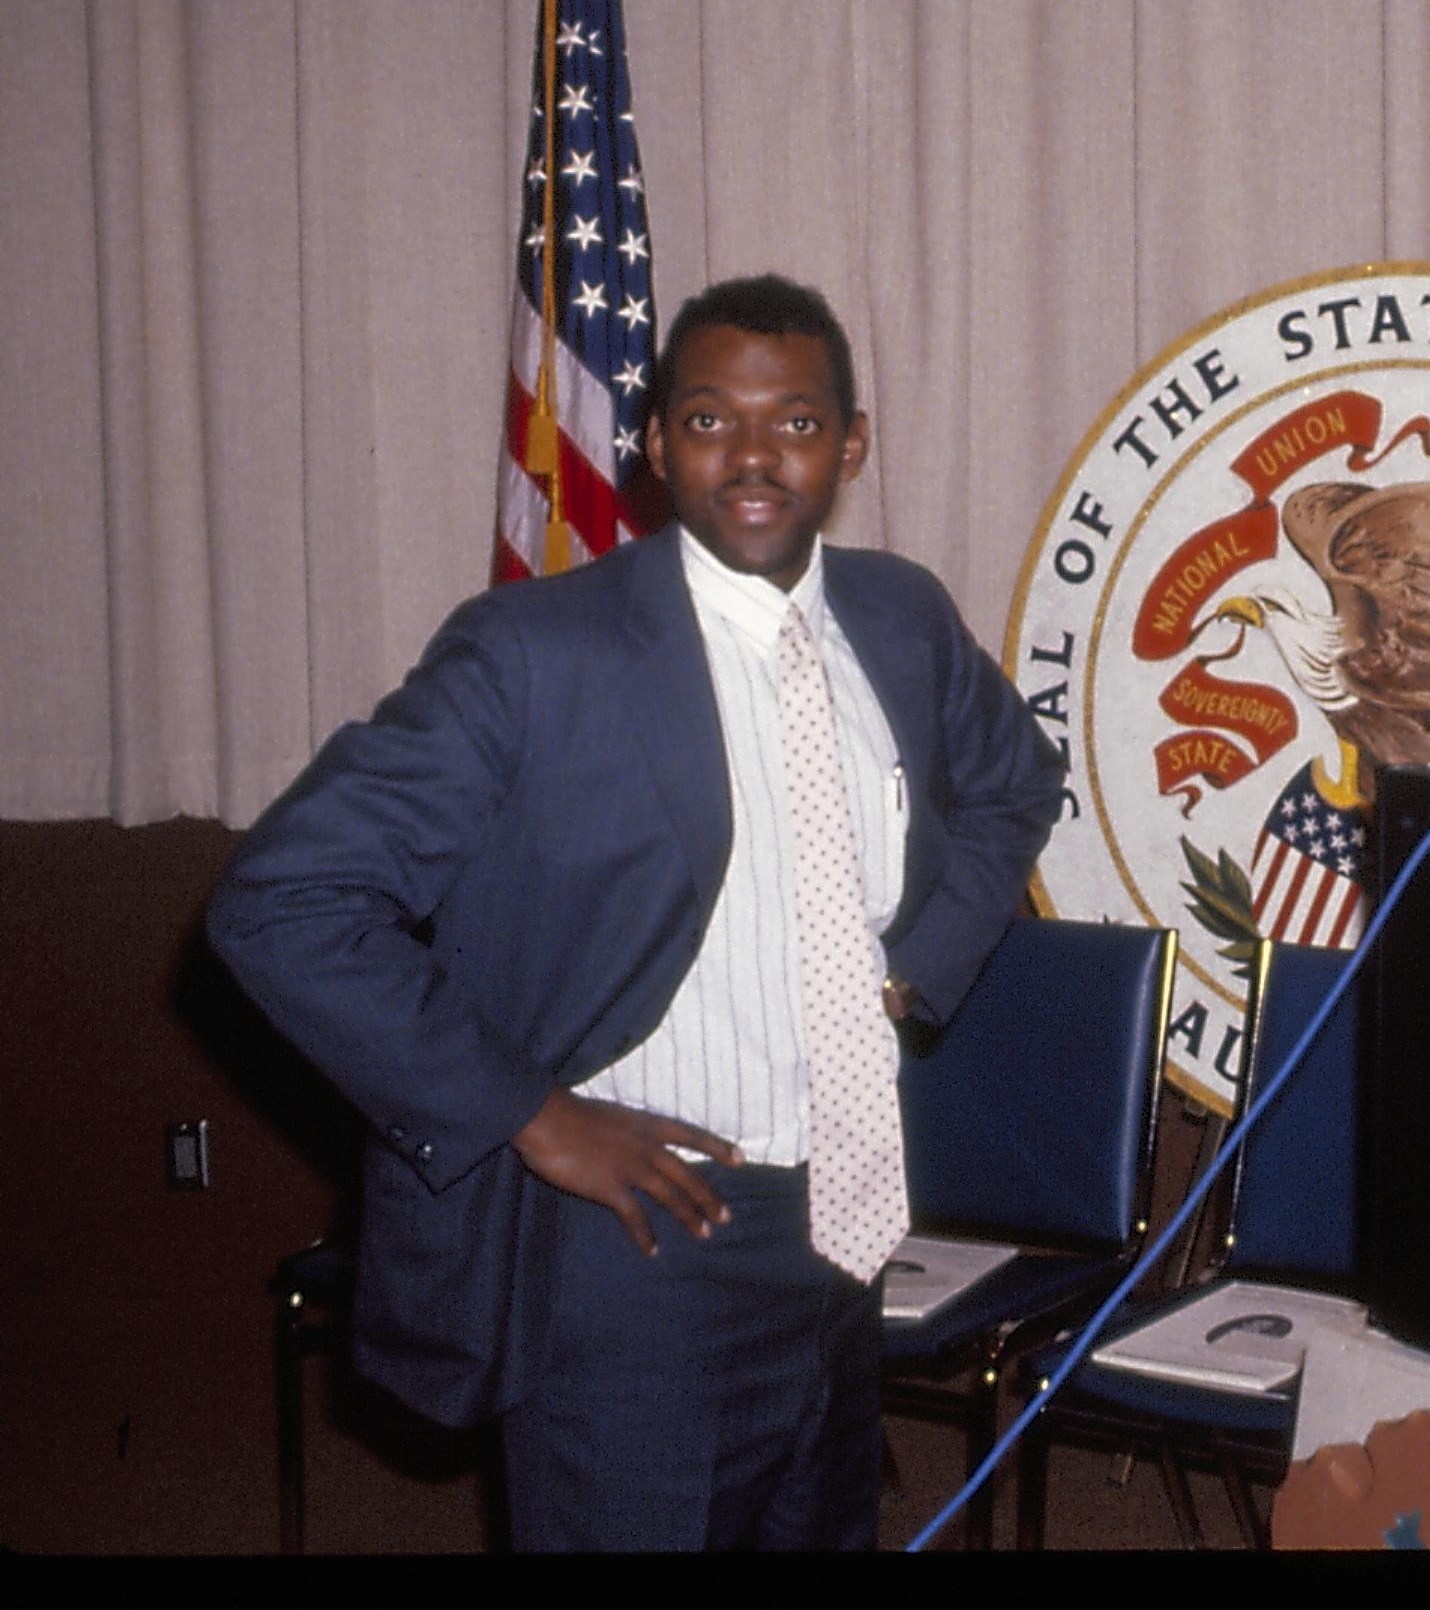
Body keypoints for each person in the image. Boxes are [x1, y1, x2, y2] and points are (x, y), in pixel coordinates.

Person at [208, 274, 1063, 1550]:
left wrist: (917, 965)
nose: (757, 457)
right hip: (641, 1244)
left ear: (853, 441)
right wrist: (528, 1113)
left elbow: (1016, 782)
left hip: (843, 1220)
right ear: (657, 442)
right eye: (713, 420)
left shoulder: (901, 616)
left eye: (800, 422)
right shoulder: (535, 653)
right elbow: (283, 902)